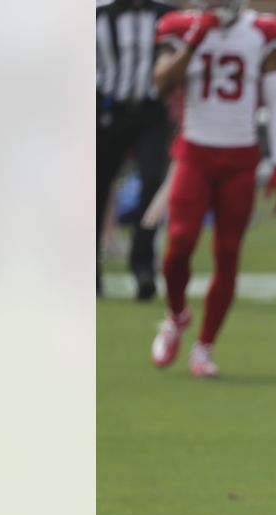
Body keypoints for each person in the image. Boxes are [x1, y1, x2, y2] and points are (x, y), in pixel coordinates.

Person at [148, 0, 276, 378]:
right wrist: (195, 40)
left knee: (227, 253)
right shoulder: (180, 26)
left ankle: (204, 347)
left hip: (241, 156)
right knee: (178, 245)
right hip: (195, 151)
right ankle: (177, 314)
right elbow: (161, 82)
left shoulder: (263, 31)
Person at [97, 0, 178, 300]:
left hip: (151, 113)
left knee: (152, 180)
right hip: (107, 110)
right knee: (94, 188)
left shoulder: (166, 16)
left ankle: (143, 265)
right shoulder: (99, 16)